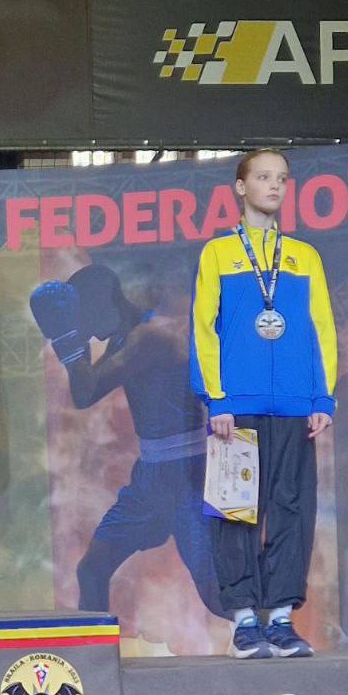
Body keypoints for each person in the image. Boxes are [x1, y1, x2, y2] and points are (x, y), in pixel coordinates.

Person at [190, 150, 337, 658]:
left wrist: (322, 396)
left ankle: (280, 617)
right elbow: (203, 328)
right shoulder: (217, 254)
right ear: (240, 186)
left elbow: (322, 328)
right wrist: (217, 398)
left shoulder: (304, 256)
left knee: (292, 509)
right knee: (236, 509)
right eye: (263, 177)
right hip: (237, 406)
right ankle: (244, 619)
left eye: (282, 179)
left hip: (295, 405)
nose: (274, 186)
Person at [31, 263, 222, 618]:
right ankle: (95, 650)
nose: (88, 331)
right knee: (91, 571)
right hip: (150, 478)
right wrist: (72, 345)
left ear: (106, 303)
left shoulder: (148, 337)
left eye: (86, 319)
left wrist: (67, 342)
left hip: (189, 474)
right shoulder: (123, 339)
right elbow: (84, 395)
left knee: (216, 594)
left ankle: (267, 636)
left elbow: (88, 387)